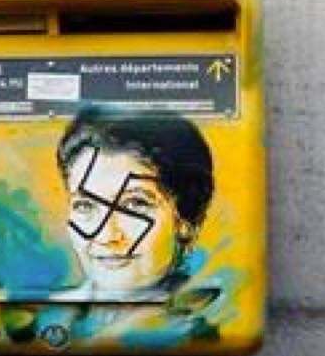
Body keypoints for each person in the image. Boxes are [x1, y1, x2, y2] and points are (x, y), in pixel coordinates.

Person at [52, 104, 214, 302]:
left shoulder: (223, 319)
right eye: (85, 206)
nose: (105, 236)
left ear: (186, 222)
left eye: (134, 204)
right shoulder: (43, 319)